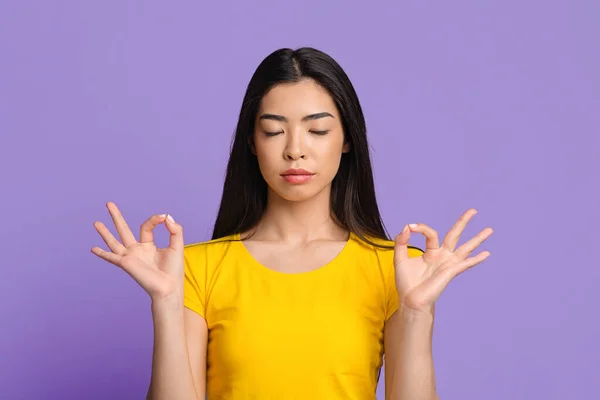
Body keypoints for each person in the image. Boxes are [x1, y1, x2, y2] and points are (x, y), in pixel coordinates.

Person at [91, 47, 493, 400]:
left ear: (347, 139)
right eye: (273, 131)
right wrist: (165, 303)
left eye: (317, 130)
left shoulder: (395, 269)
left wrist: (418, 312)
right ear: (252, 142)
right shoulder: (196, 270)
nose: (295, 150)